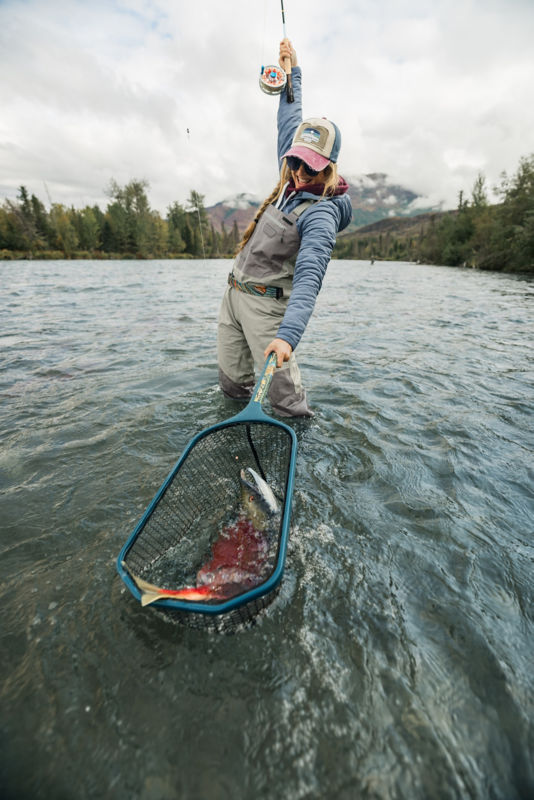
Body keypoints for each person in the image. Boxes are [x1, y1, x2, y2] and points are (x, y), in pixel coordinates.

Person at [217, 39, 352, 417]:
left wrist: (286, 337)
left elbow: (309, 281)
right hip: (234, 297)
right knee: (230, 387)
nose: (298, 170)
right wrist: (291, 66)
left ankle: (299, 443)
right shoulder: (290, 171)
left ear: (329, 166)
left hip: (267, 311)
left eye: (310, 166)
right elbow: (290, 115)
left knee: (288, 406)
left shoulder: (321, 215)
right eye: (295, 160)